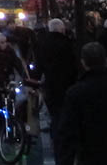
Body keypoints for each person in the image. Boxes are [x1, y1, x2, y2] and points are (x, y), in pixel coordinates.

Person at [58, 41, 107, 164]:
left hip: (91, 156)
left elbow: (68, 134)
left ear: (84, 63)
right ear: (106, 61)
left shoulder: (76, 93)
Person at [35, 18, 77, 164]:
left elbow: (38, 65)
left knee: (55, 115)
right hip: (67, 85)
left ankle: (56, 141)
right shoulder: (67, 44)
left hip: (51, 86)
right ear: (61, 29)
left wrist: (36, 82)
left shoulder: (42, 44)